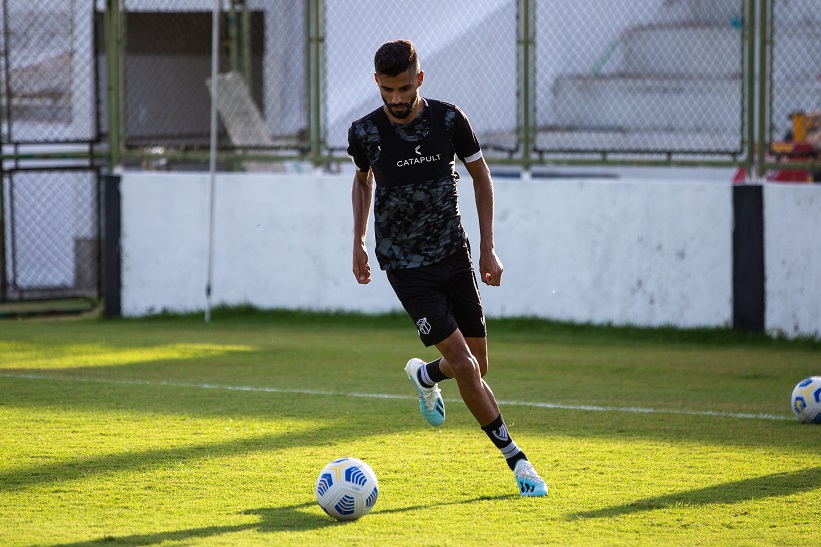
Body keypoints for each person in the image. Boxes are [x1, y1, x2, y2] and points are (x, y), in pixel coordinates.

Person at [347, 39, 547, 497]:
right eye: (387, 90)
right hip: (405, 264)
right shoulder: (365, 133)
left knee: (477, 365)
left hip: (453, 255)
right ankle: (517, 462)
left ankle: (425, 376)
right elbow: (362, 183)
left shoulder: (450, 120)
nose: (396, 100)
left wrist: (487, 247)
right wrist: (358, 242)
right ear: (377, 83)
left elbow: (481, 175)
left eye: (403, 89)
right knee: (465, 363)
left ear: (419, 79)